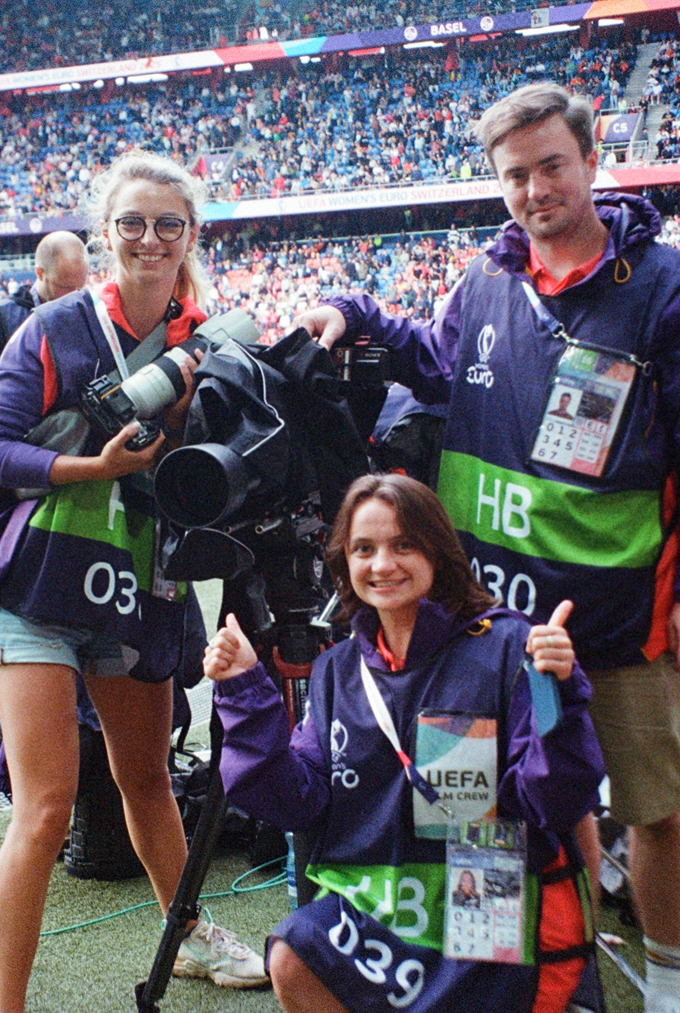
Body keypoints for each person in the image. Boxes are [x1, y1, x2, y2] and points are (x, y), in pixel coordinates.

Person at [293, 82, 680, 1013]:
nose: (536, 188)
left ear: (592, 160)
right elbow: (427, 360)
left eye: (552, 165)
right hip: (484, 624)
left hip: (619, 614)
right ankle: (498, 982)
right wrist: (349, 307)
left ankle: (664, 979)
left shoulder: (663, 291)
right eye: (516, 174)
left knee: (652, 807)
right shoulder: (484, 281)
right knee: (479, 807)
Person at [0, 150, 267, 1013]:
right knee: (43, 809)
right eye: (131, 223)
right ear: (104, 232)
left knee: (147, 779)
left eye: (168, 224)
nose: (149, 240)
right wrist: (92, 464)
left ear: (191, 233)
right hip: (40, 582)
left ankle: (185, 935)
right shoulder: (52, 328)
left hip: (140, 587)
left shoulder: (212, 341)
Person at [207, 472, 605, 1013]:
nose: (382, 565)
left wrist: (559, 696)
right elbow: (295, 801)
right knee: (292, 953)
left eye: (404, 545)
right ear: (344, 562)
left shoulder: (507, 645)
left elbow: (555, 800)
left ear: (438, 552)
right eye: (364, 549)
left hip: (487, 905)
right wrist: (245, 692)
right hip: (379, 909)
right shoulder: (335, 669)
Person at [0, 231, 89, 353]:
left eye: (80, 288)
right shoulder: (6, 316)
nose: (74, 296)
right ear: (39, 273)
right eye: (65, 287)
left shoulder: (88, 313)